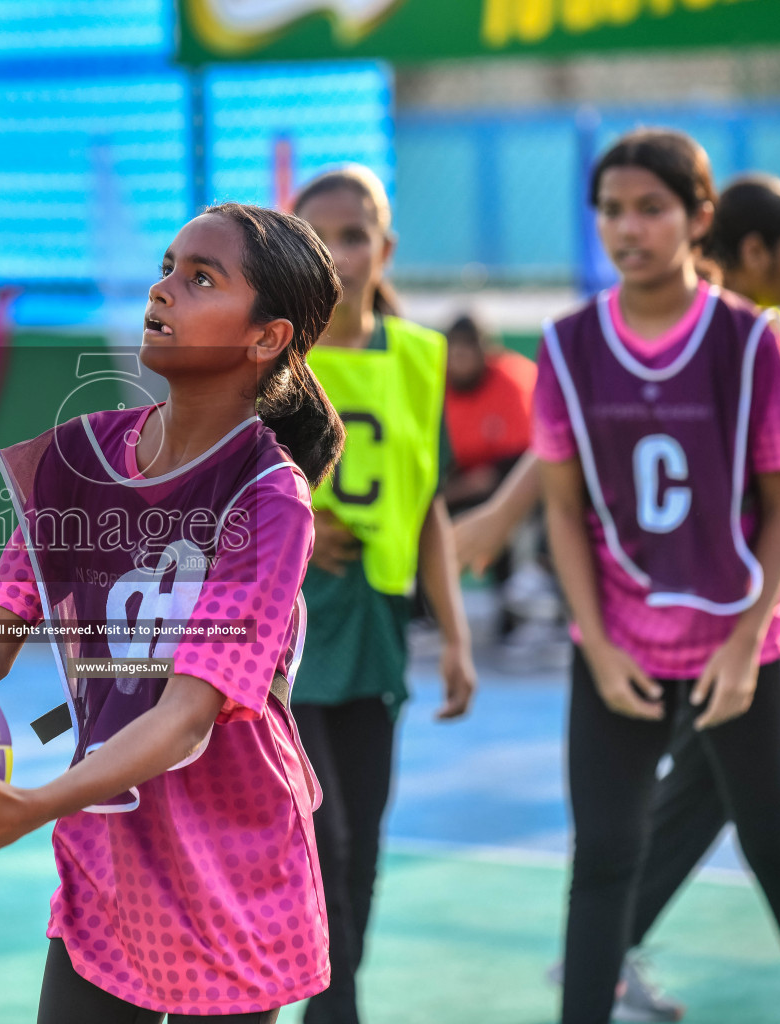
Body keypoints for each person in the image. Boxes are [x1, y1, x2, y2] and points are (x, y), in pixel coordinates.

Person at [0, 202, 346, 1023]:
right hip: (109, 862)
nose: (163, 291)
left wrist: (34, 805)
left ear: (267, 337)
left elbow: (188, 717)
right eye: (167, 266)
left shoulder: (267, 497)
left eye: (201, 279)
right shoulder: (77, 459)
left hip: (229, 864)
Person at [458, 172, 780, 1022]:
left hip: (750, 605)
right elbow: (575, 452)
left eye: (647, 210)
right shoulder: (702, 339)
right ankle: (609, 954)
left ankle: (615, 950)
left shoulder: (749, 340)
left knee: (738, 802)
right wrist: (502, 517)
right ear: (751, 250)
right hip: (737, 601)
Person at [288, 166, 477, 1024]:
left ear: (385, 247)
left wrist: (459, 635)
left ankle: (328, 998)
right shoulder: (266, 359)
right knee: (320, 841)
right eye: (318, 235)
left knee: (360, 850)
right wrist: (297, 535)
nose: (339, 252)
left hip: (375, 627)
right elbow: (205, 501)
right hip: (281, 634)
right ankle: (333, 1009)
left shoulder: (419, 359)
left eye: (355, 234)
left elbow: (429, 498)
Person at [442, 312, 548, 640]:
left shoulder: (513, 381)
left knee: (501, 518)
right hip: (460, 484)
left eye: (467, 351)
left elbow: (520, 462)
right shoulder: (433, 384)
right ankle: (423, 611)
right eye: (454, 352)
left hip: (518, 483)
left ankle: (517, 612)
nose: (460, 361)